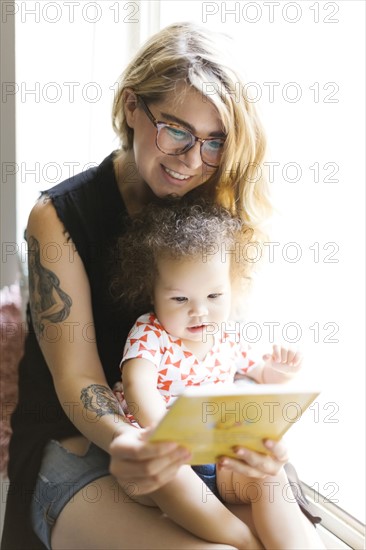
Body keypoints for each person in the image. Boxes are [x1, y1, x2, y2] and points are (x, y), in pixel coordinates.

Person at [1, 21, 324, 550]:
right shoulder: (58, 215)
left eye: (214, 141)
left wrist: (247, 423)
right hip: (79, 444)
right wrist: (138, 441)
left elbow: (216, 349)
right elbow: (79, 381)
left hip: (194, 441)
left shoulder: (211, 206)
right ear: (132, 107)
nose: (193, 160)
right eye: (176, 130)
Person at [112, 199, 320, 550]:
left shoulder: (225, 335)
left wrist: (278, 371)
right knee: (173, 480)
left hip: (218, 458)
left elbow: (259, 375)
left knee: (269, 477)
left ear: (231, 288)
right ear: (152, 293)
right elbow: (137, 384)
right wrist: (167, 435)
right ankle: (242, 541)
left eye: (213, 295)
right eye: (180, 299)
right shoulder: (151, 333)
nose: (199, 311)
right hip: (163, 463)